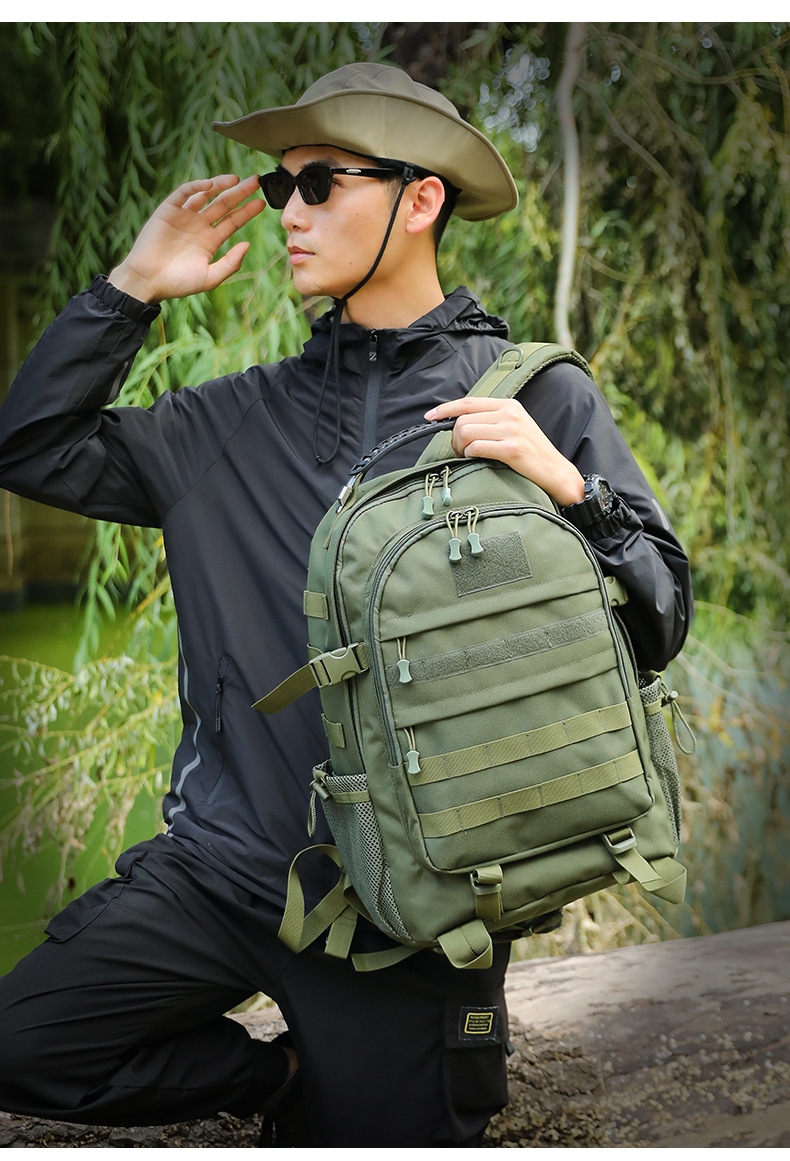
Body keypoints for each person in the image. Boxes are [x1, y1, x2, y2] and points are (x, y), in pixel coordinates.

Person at [0, 62, 693, 1147]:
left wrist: (571, 488)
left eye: (320, 183)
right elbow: (32, 445)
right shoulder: (229, 423)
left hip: (416, 905)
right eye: (281, 187)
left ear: (420, 200)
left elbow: (661, 613)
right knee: (20, 1042)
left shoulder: (535, 399)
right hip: (222, 875)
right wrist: (131, 287)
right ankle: (278, 1080)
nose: (290, 213)